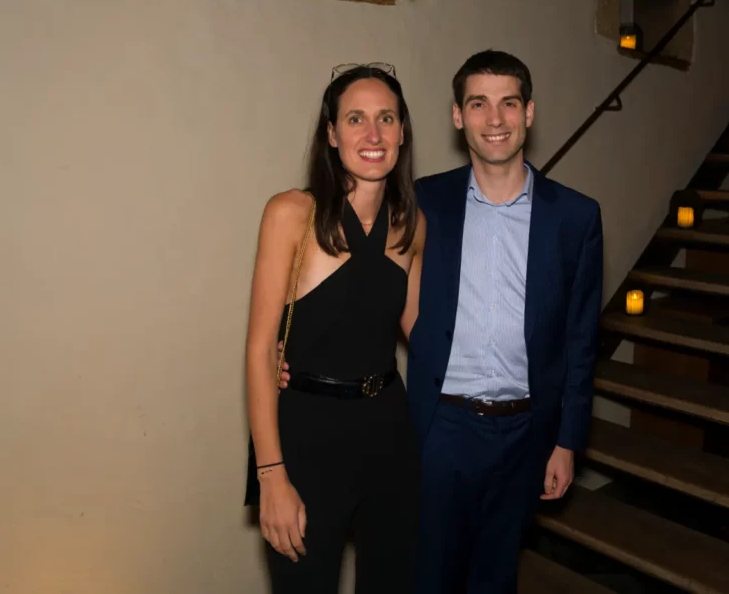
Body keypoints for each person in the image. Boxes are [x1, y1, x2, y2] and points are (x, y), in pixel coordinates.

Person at [281, 50, 604, 592]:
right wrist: (289, 345)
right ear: (458, 116)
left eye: (508, 103)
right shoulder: (422, 201)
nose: (494, 119)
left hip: (526, 433)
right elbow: (355, 277)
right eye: (478, 104)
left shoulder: (575, 216)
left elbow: (581, 340)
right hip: (439, 430)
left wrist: (567, 441)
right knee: (424, 576)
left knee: (496, 577)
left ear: (529, 112)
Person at [245, 63, 423, 593]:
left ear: (402, 132)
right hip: (307, 438)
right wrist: (270, 475)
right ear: (331, 133)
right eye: (355, 119)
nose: (373, 134)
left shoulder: (412, 225)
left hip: (389, 434)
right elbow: (260, 352)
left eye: (386, 118)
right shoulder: (291, 213)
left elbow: (425, 336)